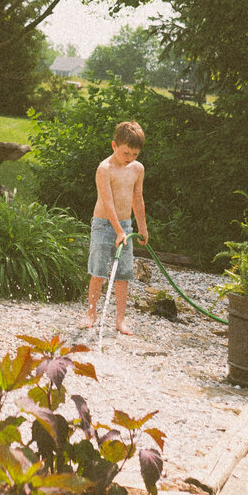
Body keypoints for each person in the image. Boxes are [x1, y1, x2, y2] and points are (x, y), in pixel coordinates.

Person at [85, 120, 148, 339]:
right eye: (126, 152)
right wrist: (117, 230)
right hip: (103, 225)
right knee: (98, 271)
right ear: (114, 146)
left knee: (123, 275)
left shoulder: (137, 169)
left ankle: (120, 319)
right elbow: (108, 202)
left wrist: (142, 228)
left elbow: (137, 199)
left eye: (135, 154)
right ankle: (91, 313)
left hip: (126, 226)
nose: (130, 158)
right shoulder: (105, 169)